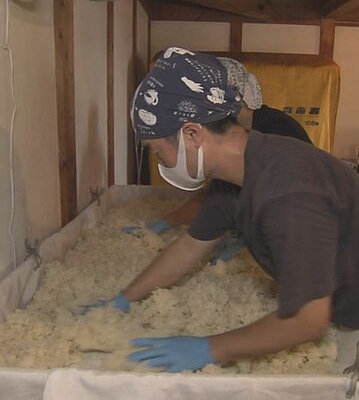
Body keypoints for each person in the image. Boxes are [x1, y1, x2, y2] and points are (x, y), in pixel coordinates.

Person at [92, 47, 359, 400]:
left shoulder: (288, 192)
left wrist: (208, 348)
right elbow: (190, 246)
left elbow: (306, 320)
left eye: (158, 151)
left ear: (192, 134)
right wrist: (123, 299)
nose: (160, 162)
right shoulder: (238, 173)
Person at [131, 56, 312, 264]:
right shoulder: (224, 138)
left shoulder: (277, 131)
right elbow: (216, 194)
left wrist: (249, 237)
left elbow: (292, 203)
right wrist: (166, 222)